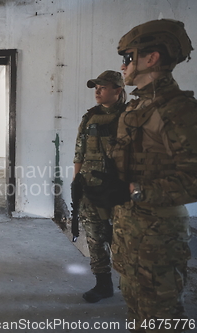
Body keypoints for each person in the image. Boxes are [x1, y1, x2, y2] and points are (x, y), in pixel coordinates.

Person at [85, 19, 197, 332]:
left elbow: (193, 178)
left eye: (128, 58)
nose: (123, 66)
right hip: (130, 231)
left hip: (159, 235)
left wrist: (133, 190)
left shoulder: (179, 110)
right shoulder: (136, 108)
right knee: (137, 312)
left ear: (152, 58)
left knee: (161, 319)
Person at [73, 70, 127, 303]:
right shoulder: (89, 118)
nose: (97, 91)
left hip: (118, 189)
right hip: (90, 187)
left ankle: (131, 282)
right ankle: (103, 284)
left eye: (102, 87)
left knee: (123, 239)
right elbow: (79, 151)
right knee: (95, 238)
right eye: (96, 87)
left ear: (117, 90)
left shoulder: (130, 117)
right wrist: (76, 180)